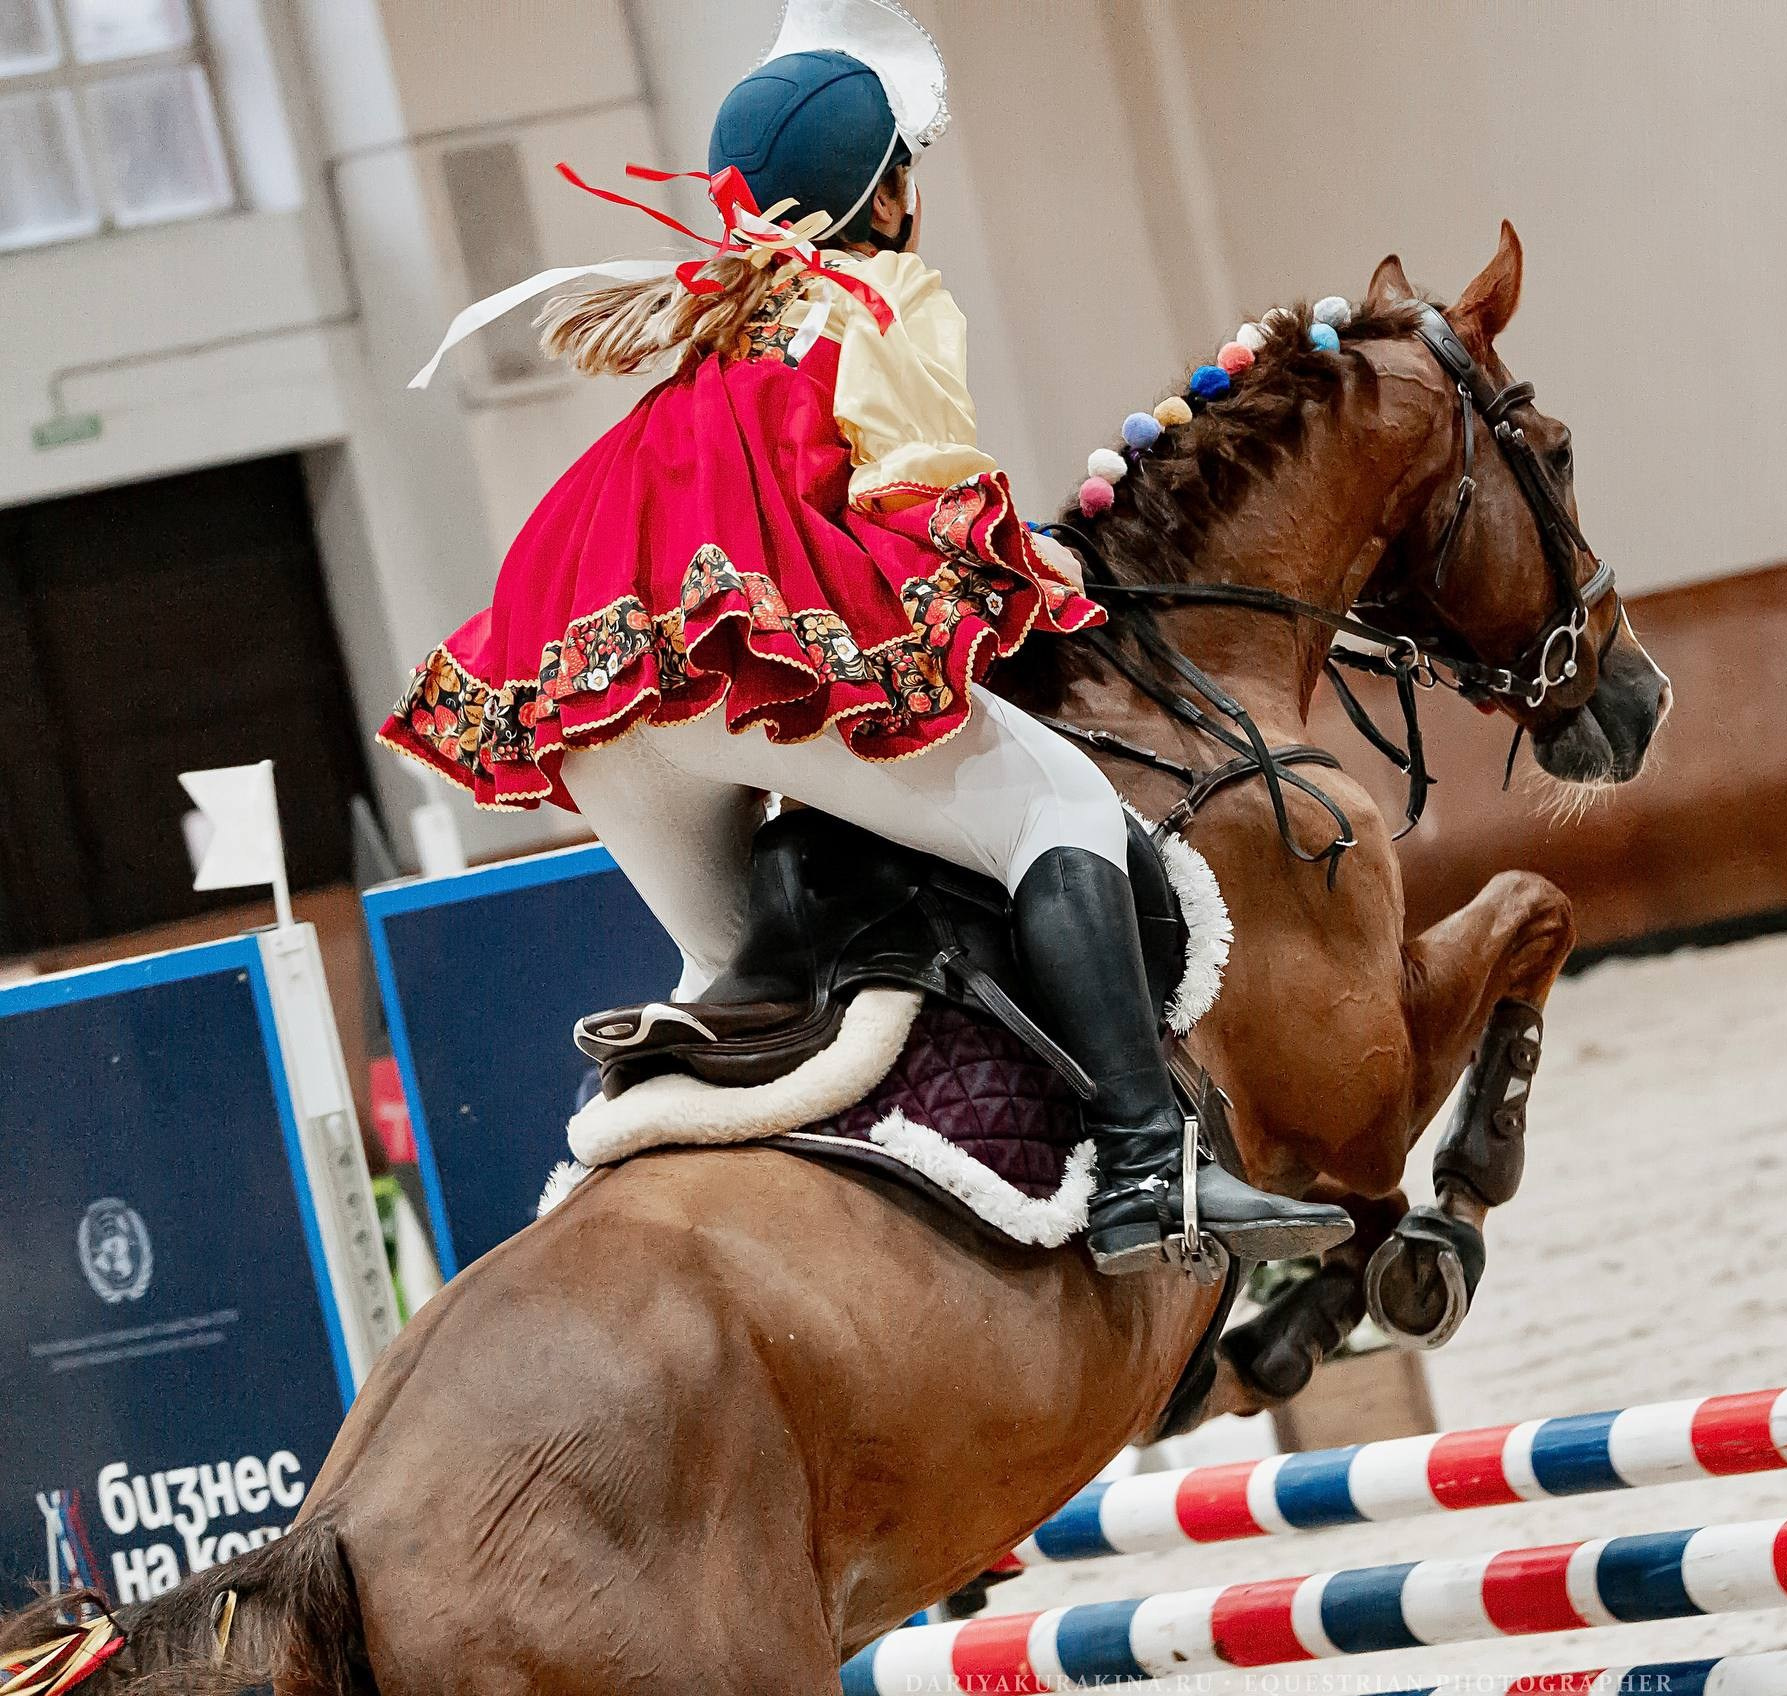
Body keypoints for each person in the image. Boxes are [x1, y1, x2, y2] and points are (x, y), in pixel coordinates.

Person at [382, 0, 1349, 1275]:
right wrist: (1030, 557)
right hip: (738, 663)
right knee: (1053, 808)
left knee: (732, 964)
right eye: (906, 172)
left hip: (610, 707)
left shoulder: (725, 322)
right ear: (881, 198)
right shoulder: (877, 297)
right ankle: (1139, 1161)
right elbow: (920, 488)